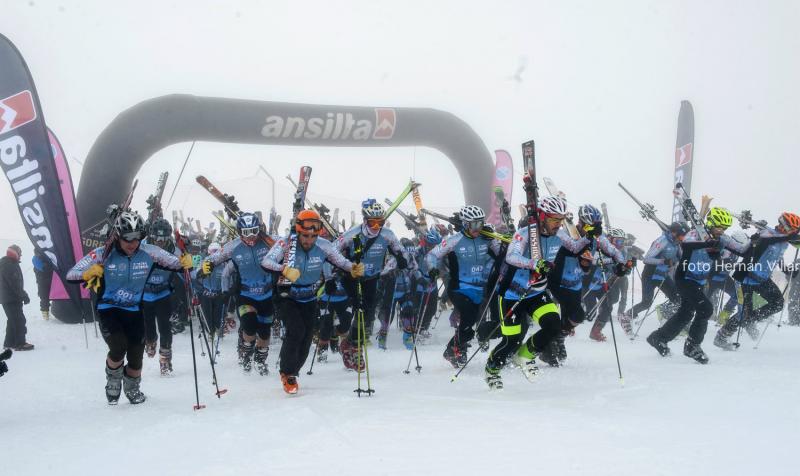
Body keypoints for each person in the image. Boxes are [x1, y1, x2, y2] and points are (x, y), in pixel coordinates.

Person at [67, 211, 193, 404]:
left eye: (137, 237)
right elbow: (71, 273)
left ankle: (133, 387)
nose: (132, 243)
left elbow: (179, 264)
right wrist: (88, 272)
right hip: (109, 309)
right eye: (127, 237)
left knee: (136, 356)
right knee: (118, 347)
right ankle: (113, 379)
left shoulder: (149, 252)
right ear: (118, 235)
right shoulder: (103, 253)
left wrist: (187, 262)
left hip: (134, 310)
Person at [261, 209, 362, 394]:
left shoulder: (323, 245)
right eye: (305, 236)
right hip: (287, 295)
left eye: (313, 236)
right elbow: (266, 262)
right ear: (298, 231)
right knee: (296, 331)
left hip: (309, 297)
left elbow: (339, 261)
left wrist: (353, 268)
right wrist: (283, 269)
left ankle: (294, 371)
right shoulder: (286, 242)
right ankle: (287, 373)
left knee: (307, 337)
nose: (309, 240)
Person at [483, 196, 569, 388]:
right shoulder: (524, 234)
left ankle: (524, 357)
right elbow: (511, 256)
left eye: (561, 219)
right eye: (555, 219)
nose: (559, 224)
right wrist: (535, 263)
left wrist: (592, 238)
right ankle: (492, 370)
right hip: (512, 294)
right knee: (511, 342)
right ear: (543, 217)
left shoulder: (560, 235)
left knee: (554, 326)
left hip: (537, 292)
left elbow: (577, 247)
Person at [646, 207, 749, 363]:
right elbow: (686, 245)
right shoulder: (695, 234)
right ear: (711, 222)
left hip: (699, 280)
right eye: (719, 227)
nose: (722, 231)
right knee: (706, 309)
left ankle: (658, 337)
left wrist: (755, 242)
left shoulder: (722, 238)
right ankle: (692, 346)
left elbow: (741, 250)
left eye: (725, 228)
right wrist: (707, 244)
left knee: (686, 313)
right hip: (684, 278)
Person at [336, 199, 411, 370]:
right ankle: (356, 349)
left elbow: (401, 252)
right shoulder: (352, 234)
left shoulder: (387, 234)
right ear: (365, 220)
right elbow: (332, 252)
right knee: (360, 309)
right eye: (372, 222)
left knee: (368, 315)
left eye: (380, 222)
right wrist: (344, 267)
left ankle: (349, 343)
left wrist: (400, 259)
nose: (376, 226)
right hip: (352, 277)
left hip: (372, 278)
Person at [200, 212, 278, 375]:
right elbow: (214, 259)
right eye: (246, 232)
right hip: (245, 295)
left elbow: (289, 245)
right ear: (239, 232)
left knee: (264, 330)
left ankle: (261, 359)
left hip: (267, 294)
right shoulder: (233, 246)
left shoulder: (269, 241)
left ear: (260, 229)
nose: (251, 237)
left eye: (254, 231)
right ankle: (246, 351)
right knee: (249, 325)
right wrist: (205, 267)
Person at [425, 205, 502, 368]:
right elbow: (432, 255)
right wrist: (433, 269)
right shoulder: (454, 240)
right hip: (459, 287)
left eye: (480, 224)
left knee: (471, 322)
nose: (478, 228)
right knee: (468, 316)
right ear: (465, 224)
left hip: (479, 289)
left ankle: (453, 348)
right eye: (474, 224)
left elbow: (500, 255)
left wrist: (493, 237)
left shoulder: (485, 238)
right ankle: (455, 349)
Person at [715, 212, 800, 349]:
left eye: (795, 231)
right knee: (743, 312)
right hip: (746, 278)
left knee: (778, 304)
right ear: (784, 227)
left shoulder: (784, 240)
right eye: (792, 229)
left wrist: (788, 270)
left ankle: (748, 320)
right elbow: (768, 239)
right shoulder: (767, 234)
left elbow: (778, 259)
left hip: (763, 280)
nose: (793, 232)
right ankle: (722, 336)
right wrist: (789, 236)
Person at [141, 218, 180, 375]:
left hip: (163, 293)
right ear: (151, 236)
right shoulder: (142, 247)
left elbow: (185, 266)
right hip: (145, 294)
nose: (160, 242)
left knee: (165, 327)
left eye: (164, 238)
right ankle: (150, 341)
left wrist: (189, 265)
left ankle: (165, 360)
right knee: (148, 327)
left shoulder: (174, 250)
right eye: (157, 238)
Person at [1, 245, 33, 351]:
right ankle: (20, 343)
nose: (21, 256)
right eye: (20, 253)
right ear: (15, 253)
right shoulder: (9, 265)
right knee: (19, 320)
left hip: (8, 298)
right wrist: (24, 295)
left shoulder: (6, 263)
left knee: (12, 320)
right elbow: (15, 284)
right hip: (11, 298)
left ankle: (9, 343)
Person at [32, 249, 53, 320]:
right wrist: (50, 265)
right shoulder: (35, 259)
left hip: (50, 281)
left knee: (50, 297)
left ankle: (51, 312)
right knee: (44, 298)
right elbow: (43, 268)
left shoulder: (48, 257)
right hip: (42, 283)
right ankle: (45, 316)